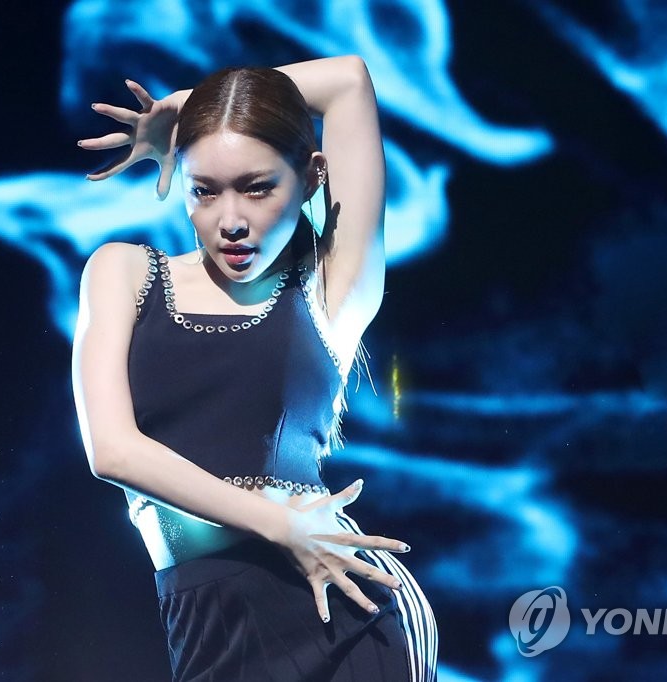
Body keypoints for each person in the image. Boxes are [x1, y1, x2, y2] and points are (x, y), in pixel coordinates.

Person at [70, 55, 438, 681]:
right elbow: (113, 452)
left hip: (343, 608)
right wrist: (280, 525)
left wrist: (190, 103)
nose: (232, 220)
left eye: (258, 187)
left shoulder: (331, 286)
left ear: (311, 176)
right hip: (206, 618)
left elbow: (348, 81)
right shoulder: (123, 271)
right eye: (204, 190)